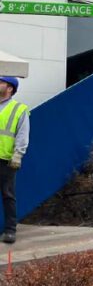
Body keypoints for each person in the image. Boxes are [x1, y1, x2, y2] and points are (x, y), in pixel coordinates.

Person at [0, 77, 29, 244]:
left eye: (0, 82)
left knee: (8, 195)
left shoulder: (19, 109)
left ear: (10, 88)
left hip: (7, 160)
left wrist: (18, 154)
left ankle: (10, 230)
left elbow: (22, 133)